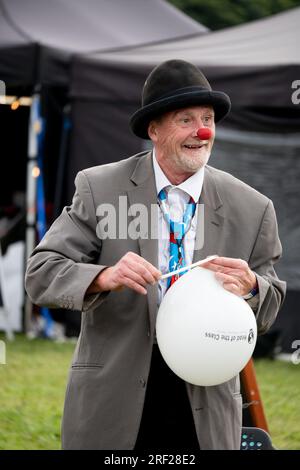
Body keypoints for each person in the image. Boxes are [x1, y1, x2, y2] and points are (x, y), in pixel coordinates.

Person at [25, 59, 286, 450]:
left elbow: (271, 300)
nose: (202, 131)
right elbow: (41, 273)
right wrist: (103, 276)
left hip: (204, 399)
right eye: (186, 119)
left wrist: (251, 287)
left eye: (208, 118)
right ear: (154, 129)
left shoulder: (253, 207)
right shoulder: (100, 188)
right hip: (116, 398)